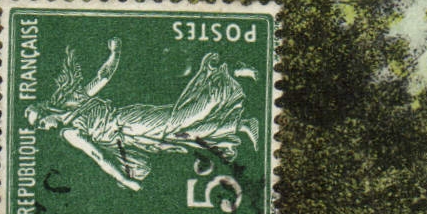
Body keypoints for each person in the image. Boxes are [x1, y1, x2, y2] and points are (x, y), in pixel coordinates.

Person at [26, 39, 259, 191]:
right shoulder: (67, 129)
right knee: (181, 134)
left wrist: (114, 53)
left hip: (129, 122)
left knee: (180, 120)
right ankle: (242, 124)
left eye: (39, 122)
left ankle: (227, 73)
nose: (42, 128)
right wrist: (125, 178)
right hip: (129, 139)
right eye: (37, 128)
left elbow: (103, 78)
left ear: (47, 110)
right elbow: (100, 155)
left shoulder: (71, 115)